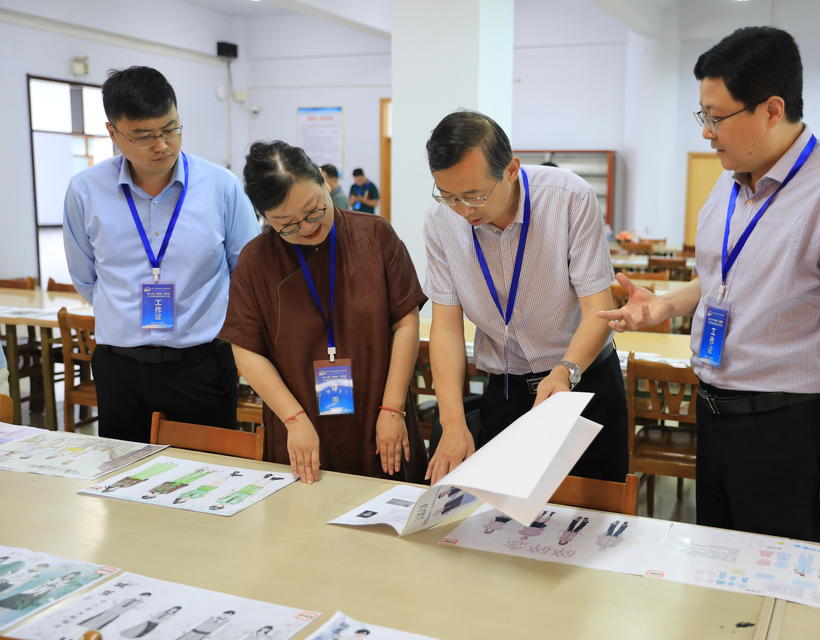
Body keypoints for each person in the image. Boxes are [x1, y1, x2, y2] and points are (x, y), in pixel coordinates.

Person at [599, 26, 820, 544]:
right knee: (716, 566)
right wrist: (664, 306)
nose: (707, 133)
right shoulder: (731, 181)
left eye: (716, 118)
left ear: (772, 109)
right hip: (716, 414)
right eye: (703, 117)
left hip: (788, 428)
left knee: (780, 577)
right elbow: (720, 279)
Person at [423, 110, 627, 484]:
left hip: (580, 381)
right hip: (507, 388)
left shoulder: (568, 197)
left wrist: (565, 371)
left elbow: (598, 309)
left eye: (474, 195)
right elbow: (447, 328)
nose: (463, 210)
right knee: (501, 509)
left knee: (590, 508)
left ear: (511, 169)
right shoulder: (441, 222)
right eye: (449, 196)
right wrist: (452, 422)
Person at [63, 66, 260, 443]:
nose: (162, 145)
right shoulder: (85, 191)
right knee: (123, 469)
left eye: (171, 129)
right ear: (113, 133)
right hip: (120, 367)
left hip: (202, 364)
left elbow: (247, 275)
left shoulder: (220, 187)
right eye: (143, 136)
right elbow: (85, 277)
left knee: (208, 471)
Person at [220, 141, 427, 483]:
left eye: (313, 210)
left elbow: (405, 321)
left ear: (322, 180)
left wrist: (393, 408)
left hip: (381, 420)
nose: (306, 228)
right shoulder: (256, 261)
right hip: (301, 430)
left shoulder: (374, 235)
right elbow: (246, 349)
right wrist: (293, 419)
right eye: (286, 224)